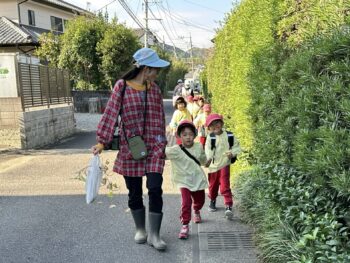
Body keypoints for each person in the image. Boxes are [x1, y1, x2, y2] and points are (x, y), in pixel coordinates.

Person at [91, 47, 170, 251]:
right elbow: (111, 114)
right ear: (145, 68)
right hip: (131, 148)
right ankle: (141, 229)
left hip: (154, 147)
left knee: (155, 188)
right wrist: (102, 141)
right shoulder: (122, 87)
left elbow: (159, 118)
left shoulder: (154, 89)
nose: (157, 74)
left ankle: (155, 235)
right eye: (155, 69)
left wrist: (162, 144)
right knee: (134, 192)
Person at [165, 120, 208, 239]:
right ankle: (185, 225)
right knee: (186, 202)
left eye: (190, 134)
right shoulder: (175, 150)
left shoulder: (199, 146)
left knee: (200, 200)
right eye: (184, 134)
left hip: (197, 179)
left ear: (194, 135)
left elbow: (203, 159)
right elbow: (162, 153)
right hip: (183, 181)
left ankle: (196, 209)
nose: (188, 137)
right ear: (179, 136)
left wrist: (207, 163)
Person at [204, 113, 241, 220]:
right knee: (213, 185)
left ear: (222, 123)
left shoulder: (229, 135)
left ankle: (228, 205)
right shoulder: (210, 137)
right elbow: (208, 149)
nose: (216, 126)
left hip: (225, 164)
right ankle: (212, 199)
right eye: (212, 125)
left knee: (225, 185)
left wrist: (232, 153)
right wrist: (209, 158)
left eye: (217, 123)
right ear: (209, 128)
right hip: (213, 167)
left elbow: (237, 146)